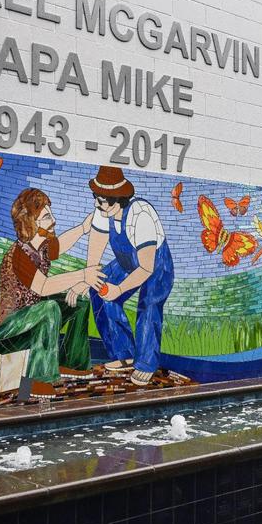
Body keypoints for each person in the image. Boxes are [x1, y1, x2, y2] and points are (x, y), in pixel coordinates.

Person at [0, 188, 106, 399]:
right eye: (46, 217)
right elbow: (43, 287)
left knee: (79, 303)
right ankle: (36, 382)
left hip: (32, 316)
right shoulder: (19, 255)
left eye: (51, 214)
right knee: (49, 308)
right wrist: (82, 275)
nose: (54, 220)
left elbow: (60, 246)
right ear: (31, 223)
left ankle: (72, 364)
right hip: (9, 330)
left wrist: (83, 228)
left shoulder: (41, 247)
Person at [81, 166, 175, 387]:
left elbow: (146, 268)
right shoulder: (104, 212)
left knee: (149, 305)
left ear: (117, 200)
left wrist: (120, 289)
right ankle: (124, 354)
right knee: (98, 288)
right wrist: (89, 277)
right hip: (127, 262)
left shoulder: (140, 215)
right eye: (96, 198)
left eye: (101, 200)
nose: (97, 204)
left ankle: (146, 364)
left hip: (156, 265)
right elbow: (96, 247)